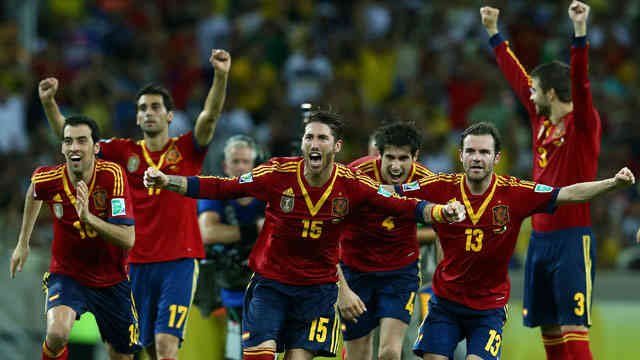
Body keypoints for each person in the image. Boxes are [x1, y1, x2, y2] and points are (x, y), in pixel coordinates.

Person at [143, 110, 467, 360]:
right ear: (302, 142)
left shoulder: (352, 184)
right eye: (309, 137)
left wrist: (441, 212)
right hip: (272, 283)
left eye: (322, 138)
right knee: (262, 354)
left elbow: (402, 205)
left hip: (316, 291)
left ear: (336, 146)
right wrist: (168, 181)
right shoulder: (277, 174)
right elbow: (222, 186)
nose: (314, 143)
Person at [39, 49, 231, 360]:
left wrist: (221, 76)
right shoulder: (121, 152)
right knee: (143, 349)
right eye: (142, 108)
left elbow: (209, 116)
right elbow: (73, 140)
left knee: (167, 345)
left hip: (179, 261)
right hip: (134, 264)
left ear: (169, 115)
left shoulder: (186, 150)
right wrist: (50, 103)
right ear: (137, 116)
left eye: (156, 107)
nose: (148, 113)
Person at [390, 122, 633, 360]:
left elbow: (566, 193)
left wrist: (612, 183)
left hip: (488, 308)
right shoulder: (439, 186)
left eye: (484, 152)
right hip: (445, 304)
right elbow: (389, 193)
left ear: (496, 158)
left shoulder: (515, 192)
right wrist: (354, 184)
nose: (477, 158)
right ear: (460, 156)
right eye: (471, 151)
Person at [480, 2, 601, 359]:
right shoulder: (541, 122)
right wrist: (494, 34)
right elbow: (517, 78)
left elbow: (580, 81)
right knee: (548, 328)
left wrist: (579, 32)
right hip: (540, 239)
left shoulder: (583, 125)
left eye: (536, 90)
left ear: (551, 93)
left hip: (571, 239)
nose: (529, 95)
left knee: (572, 327)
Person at [9, 116, 141, 360]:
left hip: (112, 279)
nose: (74, 147)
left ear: (96, 147)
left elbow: (127, 239)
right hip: (67, 274)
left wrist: (89, 218)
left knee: (121, 355)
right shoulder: (49, 178)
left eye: (82, 140)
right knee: (56, 333)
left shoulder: (112, 176)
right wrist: (22, 243)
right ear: (62, 148)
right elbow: (34, 192)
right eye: (68, 141)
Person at [337, 122, 435, 360]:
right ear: (378, 154)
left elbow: (446, 230)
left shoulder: (427, 181)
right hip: (355, 272)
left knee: (390, 352)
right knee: (358, 356)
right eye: (389, 157)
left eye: (403, 158)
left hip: (400, 274)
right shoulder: (353, 176)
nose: (395, 165)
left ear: (415, 156)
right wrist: (341, 289)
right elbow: (326, 233)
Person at [197, 135, 266, 360]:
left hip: (266, 283)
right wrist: (254, 230)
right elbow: (207, 232)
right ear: (225, 166)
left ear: (254, 166)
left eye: (246, 162)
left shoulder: (267, 193)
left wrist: (232, 235)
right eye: (235, 162)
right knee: (236, 349)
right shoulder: (214, 191)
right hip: (229, 283)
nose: (241, 167)